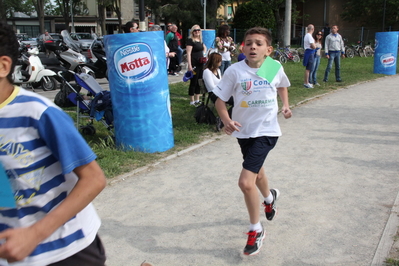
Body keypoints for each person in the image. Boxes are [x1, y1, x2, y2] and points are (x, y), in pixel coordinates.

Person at [0, 21, 107, 265]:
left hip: (67, 250)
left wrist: (34, 234)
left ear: (3, 65)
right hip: (13, 253)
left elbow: (94, 179)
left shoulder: (38, 113)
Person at [213, 27, 292, 256]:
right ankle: (269, 197)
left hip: (267, 131)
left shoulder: (272, 67)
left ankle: (256, 229)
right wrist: (226, 120)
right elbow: (220, 101)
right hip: (243, 132)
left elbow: (281, 85)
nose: (253, 47)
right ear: (242, 47)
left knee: (246, 182)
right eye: (248, 43)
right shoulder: (235, 71)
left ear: (268, 50)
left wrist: (285, 105)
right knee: (257, 172)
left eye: (258, 43)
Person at [186, 24, 206, 106]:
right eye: (195, 30)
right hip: (194, 64)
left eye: (198, 30)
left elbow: (204, 48)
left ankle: (197, 99)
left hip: (200, 64)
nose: (197, 32)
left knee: (199, 81)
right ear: (192, 32)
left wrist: (204, 54)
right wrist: (189, 65)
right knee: (193, 82)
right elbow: (188, 53)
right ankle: (192, 100)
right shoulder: (190, 41)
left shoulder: (200, 40)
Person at [303, 24, 316, 88]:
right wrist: (315, 46)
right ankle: (306, 82)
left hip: (308, 52)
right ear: (312, 29)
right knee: (308, 69)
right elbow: (313, 46)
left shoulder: (306, 35)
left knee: (308, 68)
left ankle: (306, 82)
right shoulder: (309, 36)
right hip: (310, 53)